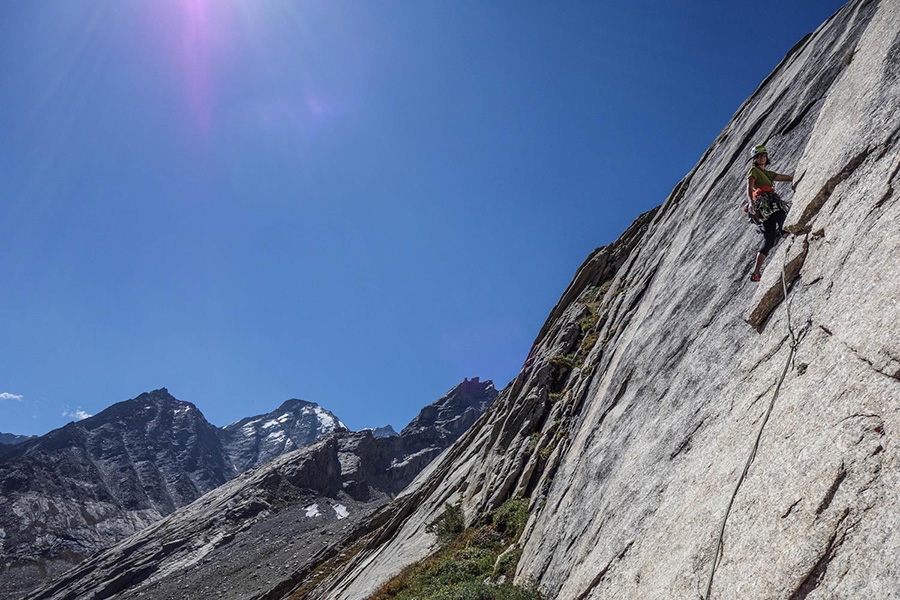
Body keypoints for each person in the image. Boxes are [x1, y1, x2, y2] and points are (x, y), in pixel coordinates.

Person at [746, 145, 793, 282]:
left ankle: (755, 273)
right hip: (766, 201)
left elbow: (783, 177)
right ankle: (785, 233)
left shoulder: (768, 174)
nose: (761, 158)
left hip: (767, 203)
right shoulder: (753, 170)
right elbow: (749, 188)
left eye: (763, 155)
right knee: (780, 216)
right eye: (758, 156)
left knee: (769, 239)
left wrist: (797, 176)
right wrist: (750, 203)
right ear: (754, 159)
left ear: (766, 157)